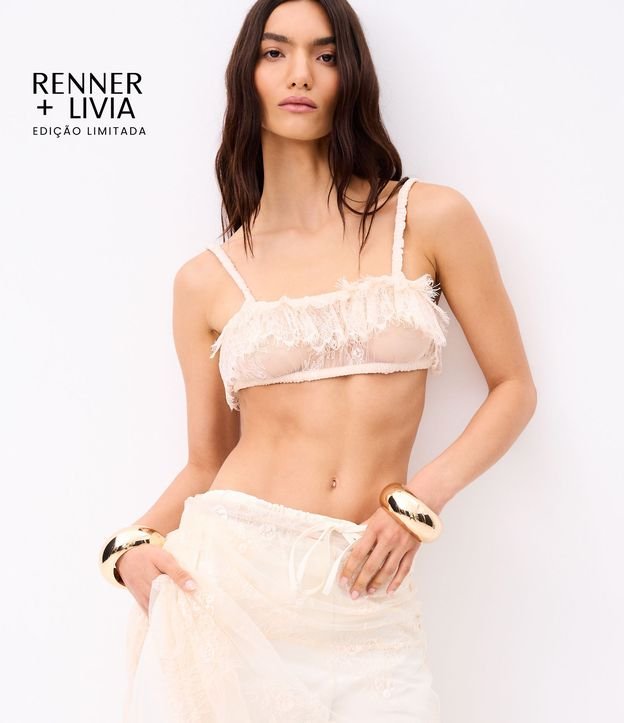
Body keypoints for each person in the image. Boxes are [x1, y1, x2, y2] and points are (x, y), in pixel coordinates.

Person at [99, 1, 538, 721]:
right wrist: (127, 547)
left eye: (325, 55)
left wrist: (417, 504)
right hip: (231, 581)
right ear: (246, 77)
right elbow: (207, 463)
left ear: (350, 75)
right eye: (275, 53)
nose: (300, 73)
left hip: (367, 588)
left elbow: (513, 388)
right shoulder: (205, 280)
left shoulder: (429, 218)